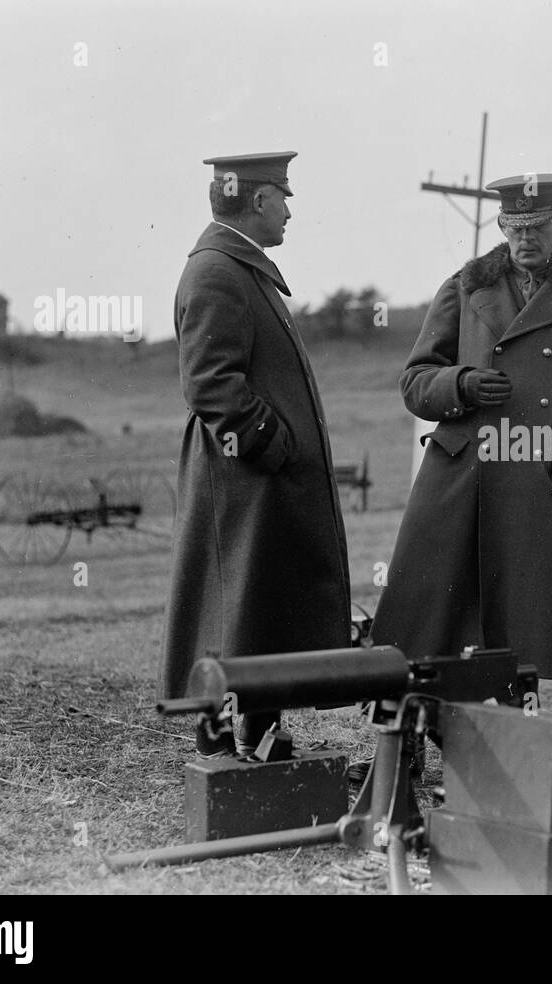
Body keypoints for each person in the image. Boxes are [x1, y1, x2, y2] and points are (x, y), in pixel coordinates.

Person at [371, 172, 552, 685]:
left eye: (539, 227)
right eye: (516, 227)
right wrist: (460, 384)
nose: (527, 239)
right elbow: (414, 382)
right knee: (432, 626)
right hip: (459, 481)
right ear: (501, 224)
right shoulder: (464, 289)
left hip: (539, 480)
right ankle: (412, 736)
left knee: (523, 636)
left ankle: (512, 734)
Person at [161, 151, 351, 757]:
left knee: (256, 608)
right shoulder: (219, 270)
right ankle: (221, 740)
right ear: (260, 200)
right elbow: (212, 385)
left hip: (252, 478)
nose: (291, 210)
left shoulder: (236, 265)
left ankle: (256, 733)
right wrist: (275, 445)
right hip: (241, 475)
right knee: (233, 610)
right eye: (285, 196)